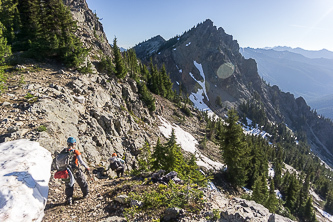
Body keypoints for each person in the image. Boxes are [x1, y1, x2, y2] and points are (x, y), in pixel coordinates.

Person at [63, 137, 90, 205]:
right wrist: (86, 167)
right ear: (74, 144)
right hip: (75, 170)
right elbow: (81, 161)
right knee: (82, 181)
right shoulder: (75, 151)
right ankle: (85, 194)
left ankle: (69, 198)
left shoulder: (64, 151)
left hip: (66, 170)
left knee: (69, 184)